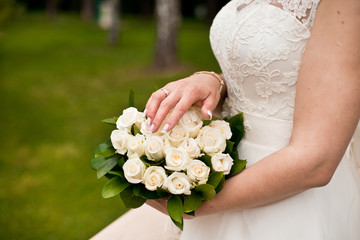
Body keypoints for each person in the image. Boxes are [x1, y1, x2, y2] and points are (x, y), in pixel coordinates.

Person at [92, 0, 360, 239]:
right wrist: (213, 81)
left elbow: (317, 160)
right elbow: (272, 68)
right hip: (225, 168)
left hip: (288, 201)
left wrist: (194, 204)